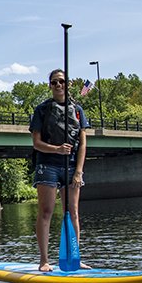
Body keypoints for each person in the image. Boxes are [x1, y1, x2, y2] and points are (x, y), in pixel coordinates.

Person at [31, 69, 91, 272]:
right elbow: (36, 143)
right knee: (46, 211)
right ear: (50, 85)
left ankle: (74, 258)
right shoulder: (41, 110)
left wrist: (79, 171)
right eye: (54, 82)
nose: (58, 85)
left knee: (72, 212)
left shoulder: (77, 110)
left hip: (71, 166)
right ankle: (44, 261)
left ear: (68, 84)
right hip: (47, 165)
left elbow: (82, 144)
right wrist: (56, 149)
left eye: (62, 81)